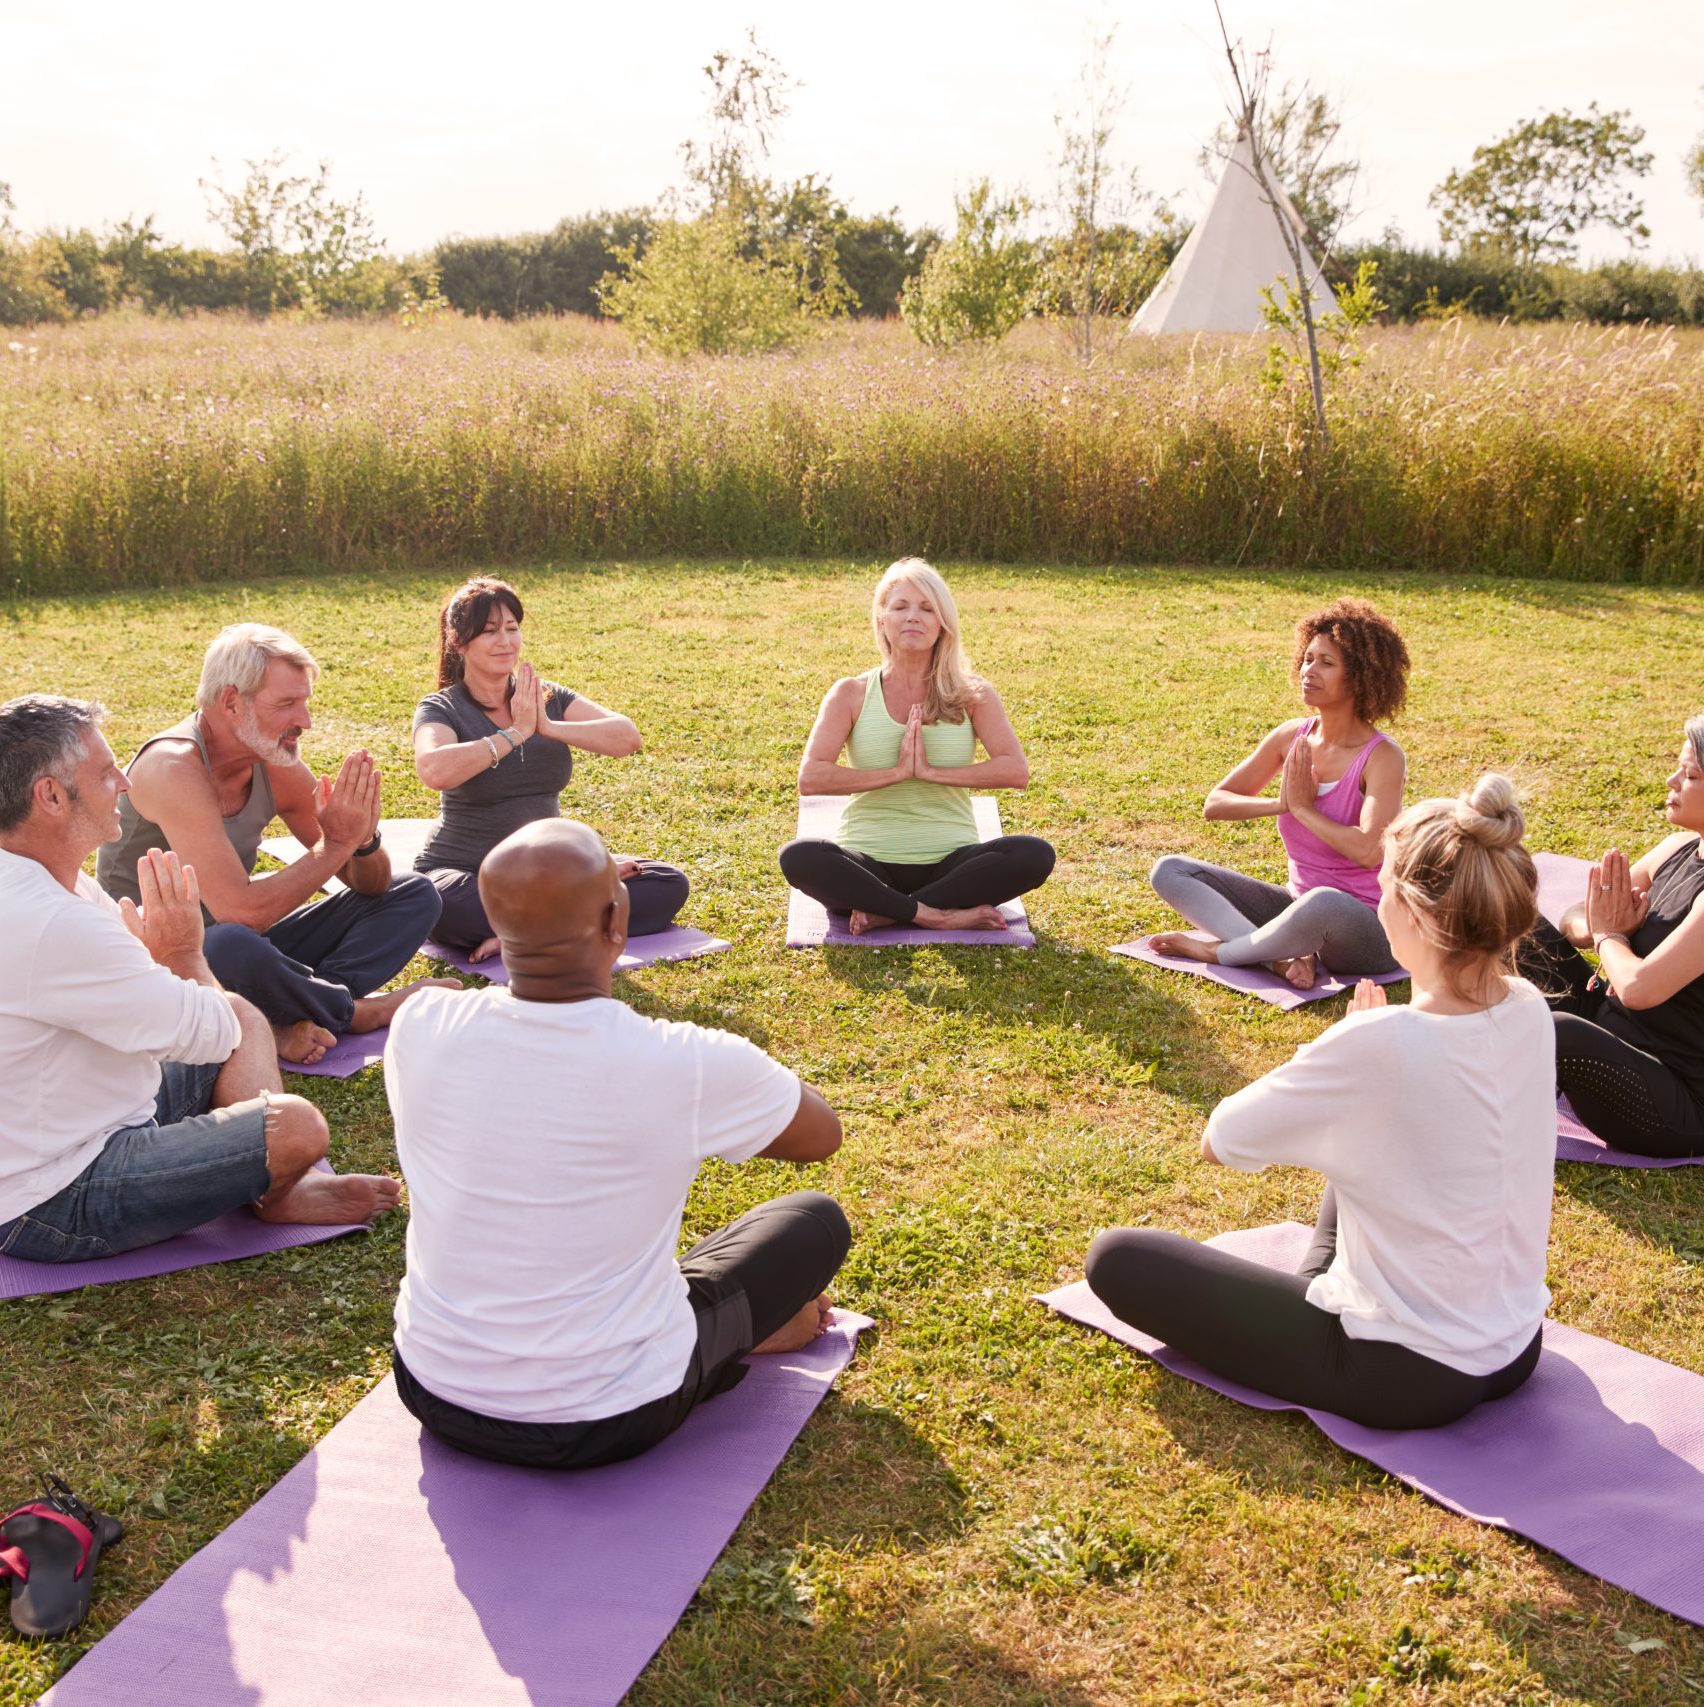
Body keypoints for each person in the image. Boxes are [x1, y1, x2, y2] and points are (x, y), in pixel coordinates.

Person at [1084, 775, 1552, 1431]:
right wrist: (1366, 1065)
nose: (1378, 898)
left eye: (1384, 884)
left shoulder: (1379, 1043)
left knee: (1116, 1258)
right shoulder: (1528, 1008)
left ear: (1413, 912)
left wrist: (1350, 1047)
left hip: (1408, 1372)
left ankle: (1313, 1302)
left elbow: (1220, 1140)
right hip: (1513, 1346)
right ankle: (1316, 1293)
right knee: (1370, 1135)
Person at [384, 818, 852, 1470]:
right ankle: (740, 1332)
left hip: (433, 1387)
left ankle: (706, 1324)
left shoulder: (421, 1023)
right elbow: (819, 1133)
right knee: (812, 1222)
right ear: (616, 922)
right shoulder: (680, 1060)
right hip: (610, 1413)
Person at [0, 695, 400, 1262]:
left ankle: (271, 1184)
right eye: (106, 773)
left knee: (245, 1014)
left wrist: (167, 965)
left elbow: (188, 1010)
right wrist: (182, 954)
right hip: (48, 1202)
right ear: (51, 796)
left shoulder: (31, 875)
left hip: (90, 1122)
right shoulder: (48, 920)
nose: (125, 785)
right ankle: (274, 1188)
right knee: (295, 1126)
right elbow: (210, 1029)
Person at [97, 623, 455, 1066]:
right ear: (231, 702)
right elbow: (241, 910)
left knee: (415, 894)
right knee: (229, 942)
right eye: (286, 704)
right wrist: (335, 844)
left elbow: (373, 887)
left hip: (244, 953)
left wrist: (362, 841)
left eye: (304, 702)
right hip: (160, 965)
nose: (304, 721)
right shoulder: (172, 768)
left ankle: (300, 1009)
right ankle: (356, 1012)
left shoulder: (270, 757)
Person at [1517, 708, 1704, 1159]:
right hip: (1615, 1034)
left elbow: (1637, 988)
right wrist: (1602, 927)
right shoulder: (1679, 848)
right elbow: (1578, 915)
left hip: (1684, 1103)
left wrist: (1611, 934)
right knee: (1514, 926)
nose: (1671, 781)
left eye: (1689, 775)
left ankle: (1463, 1107)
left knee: (1554, 1031)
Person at [410, 576, 689, 960]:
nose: (505, 642)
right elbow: (434, 769)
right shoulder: (442, 708)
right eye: (490, 631)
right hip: (464, 872)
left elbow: (627, 737)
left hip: (546, 873)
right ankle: (567, 920)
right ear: (459, 641)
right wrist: (514, 734)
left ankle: (524, 933)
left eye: (512, 628)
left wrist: (548, 727)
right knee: (439, 904)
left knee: (667, 884)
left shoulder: (545, 698)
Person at [778, 558, 1055, 934]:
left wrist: (930, 773)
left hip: (952, 862)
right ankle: (936, 914)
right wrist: (894, 774)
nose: (913, 617)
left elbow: (1015, 771)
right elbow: (811, 778)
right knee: (800, 856)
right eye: (901, 606)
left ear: (942, 624)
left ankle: (889, 912)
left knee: (1033, 854)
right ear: (881, 619)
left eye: (927, 608)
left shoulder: (972, 694)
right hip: (867, 863)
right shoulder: (851, 693)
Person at [1148, 599, 1412, 989]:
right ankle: (1281, 959)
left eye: (1326, 663)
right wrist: (1282, 803)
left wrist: (1304, 810)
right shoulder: (1292, 736)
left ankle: (1219, 952)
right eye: (1307, 659)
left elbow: (1368, 850)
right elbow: (1216, 803)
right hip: (1296, 908)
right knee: (1170, 870)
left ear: (1359, 676)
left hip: (1366, 926)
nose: (1309, 672)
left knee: (1323, 901)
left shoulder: (1383, 757)